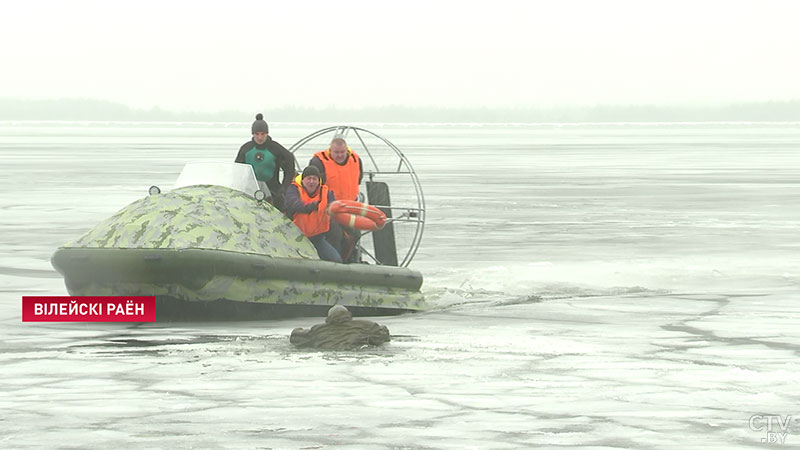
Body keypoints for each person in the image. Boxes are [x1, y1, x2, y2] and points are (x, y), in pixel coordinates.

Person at [235, 113, 295, 210]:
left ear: (267, 133)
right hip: (250, 192)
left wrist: (284, 188)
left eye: (263, 134)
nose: (260, 137)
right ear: (252, 134)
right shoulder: (246, 149)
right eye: (257, 134)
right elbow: (237, 171)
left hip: (273, 193)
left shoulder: (275, 149)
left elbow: (290, 166)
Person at [284, 166, 341, 262]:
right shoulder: (293, 189)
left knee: (336, 260)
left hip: (317, 239)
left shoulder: (327, 193)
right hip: (295, 238)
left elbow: (334, 208)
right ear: (302, 180)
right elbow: (295, 204)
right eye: (308, 178)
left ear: (319, 181)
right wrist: (311, 206)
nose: (311, 182)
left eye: (314, 179)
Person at [289, 305, 390, 350]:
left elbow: (295, 337)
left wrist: (299, 329)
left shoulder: (318, 330)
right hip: (356, 352)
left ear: (328, 318)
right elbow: (382, 334)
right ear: (348, 315)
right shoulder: (366, 326)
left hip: (328, 353)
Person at [309, 137, 363, 202]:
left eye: (342, 152)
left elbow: (359, 180)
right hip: (328, 206)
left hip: (352, 204)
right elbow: (311, 187)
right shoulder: (318, 162)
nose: (340, 155)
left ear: (347, 150)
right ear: (330, 150)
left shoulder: (356, 160)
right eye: (336, 152)